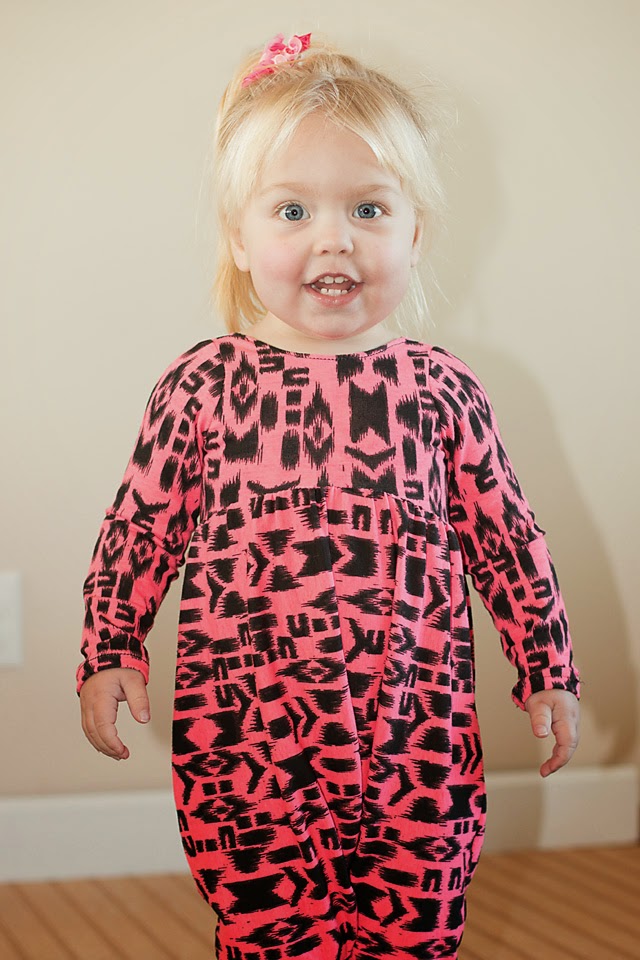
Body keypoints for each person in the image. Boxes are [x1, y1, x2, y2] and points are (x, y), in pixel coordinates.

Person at [77, 31, 580, 960]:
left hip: (418, 735)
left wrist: (548, 666)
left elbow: (510, 541)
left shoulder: (442, 391)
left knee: (416, 927)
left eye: (369, 207)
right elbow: (137, 531)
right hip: (246, 741)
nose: (333, 237)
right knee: (269, 932)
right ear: (240, 236)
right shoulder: (202, 386)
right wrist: (111, 647)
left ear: (415, 234)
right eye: (293, 209)